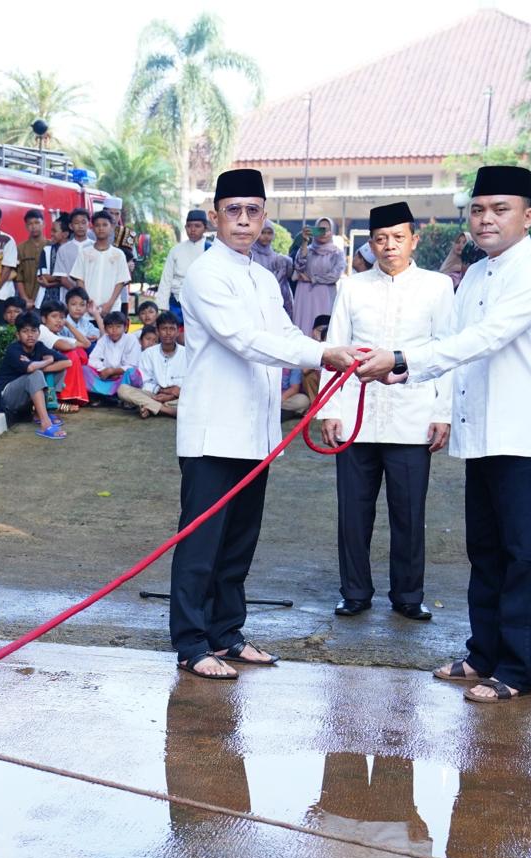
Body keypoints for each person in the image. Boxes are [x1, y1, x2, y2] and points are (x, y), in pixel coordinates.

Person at [357, 165, 531, 705]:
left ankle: (519, 671)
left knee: (527, 555)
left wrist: (405, 358)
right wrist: (399, 368)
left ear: (528, 216)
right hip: (483, 436)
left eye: (500, 209)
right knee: (487, 552)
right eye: (478, 209)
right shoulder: (476, 275)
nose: (486, 219)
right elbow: (450, 346)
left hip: (529, 437)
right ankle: (484, 653)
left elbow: (484, 338)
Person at [171, 168, 354, 680]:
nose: (244, 221)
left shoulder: (263, 276)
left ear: (265, 217)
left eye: (253, 211)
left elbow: (282, 332)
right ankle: (190, 642)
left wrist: (327, 353)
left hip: (256, 430)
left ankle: (226, 633)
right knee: (202, 544)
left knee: (239, 543)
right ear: (215, 217)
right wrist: (322, 352)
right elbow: (244, 338)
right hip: (213, 431)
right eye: (233, 211)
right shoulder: (207, 274)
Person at [320, 202, 455, 622]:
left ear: (414, 239)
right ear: (370, 243)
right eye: (380, 239)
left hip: (412, 417)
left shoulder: (437, 287)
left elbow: (447, 351)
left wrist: (443, 411)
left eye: (398, 238)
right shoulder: (352, 287)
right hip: (357, 417)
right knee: (353, 514)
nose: (389, 246)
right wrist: (329, 409)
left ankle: (408, 595)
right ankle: (355, 592)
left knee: (409, 514)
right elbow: (335, 348)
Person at [0, 311, 70, 440]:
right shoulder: (14, 349)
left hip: (25, 393)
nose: (30, 335)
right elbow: (31, 368)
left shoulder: (39, 346)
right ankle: (45, 424)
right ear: (18, 335)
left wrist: (40, 365)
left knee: (56, 371)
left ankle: (44, 412)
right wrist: (47, 361)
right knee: (35, 374)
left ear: (39, 333)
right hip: (7, 396)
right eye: (25, 331)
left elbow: (67, 362)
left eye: (33, 331)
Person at [117, 311, 186, 418]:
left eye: (172, 329)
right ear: (157, 331)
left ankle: (151, 407)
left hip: (179, 396)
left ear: (178, 332)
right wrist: (161, 391)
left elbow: (192, 382)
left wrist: (172, 395)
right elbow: (145, 382)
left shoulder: (187, 354)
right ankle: (168, 410)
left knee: (196, 397)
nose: (168, 333)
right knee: (122, 390)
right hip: (154, 395)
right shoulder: (147, 354)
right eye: (164, 329)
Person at [291, 216, 346, 337]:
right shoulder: (308, 250)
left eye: (327, 229)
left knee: (321, 329)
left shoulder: (337, 253)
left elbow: (335, 275)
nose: (324, 233)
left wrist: (312, 279)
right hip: (304, 295)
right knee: (303, 327)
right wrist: (305, 241)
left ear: (332, 232)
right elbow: (298, 266)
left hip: (324, 295)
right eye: (320, 229)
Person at [70, 210, 131, 317]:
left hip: (112, 310)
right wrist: (88, 302)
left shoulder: (118, 254)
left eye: (105, 225)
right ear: (92, 228)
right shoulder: (84, 253)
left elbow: (121, 282)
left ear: (111, 227)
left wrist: (109, 304)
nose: (101, 228)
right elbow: (79, 280)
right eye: (97, 225)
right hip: (87, 311)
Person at [157, 209, 209, 320]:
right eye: (189, 226)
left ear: (205, 228)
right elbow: (166, 279)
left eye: (197, 226)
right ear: (185, 228)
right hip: (177, 303)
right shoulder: (175, 250)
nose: (193, 230)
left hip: (203, 303)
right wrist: (163, 306)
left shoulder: (211, 249)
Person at [37, 301, 90, 407]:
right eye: (54, 316)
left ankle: (68, 396)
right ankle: (62, 397)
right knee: (72, 354)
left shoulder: (57, 335)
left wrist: (68, 324)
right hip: (39, 372)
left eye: (62, 317)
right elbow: (65, 346)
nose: (59, 321)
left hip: (51, 371)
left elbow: (86, 343)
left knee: (80, 353)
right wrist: (71, 345)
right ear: (43, 319)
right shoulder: (41, 329)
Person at [83, 311, 140, 401]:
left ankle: (119, 397)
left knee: (132, 373)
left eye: (118, 327)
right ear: (105, 329)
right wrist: (105, 370)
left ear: (125, 328)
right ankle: (107, 396)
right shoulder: (103, 340)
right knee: (84, 369)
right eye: (110, 327)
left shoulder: (131, 339)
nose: (114, 330)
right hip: (106, 376)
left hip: (122, 377)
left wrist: (114, 371)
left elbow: (132, 365)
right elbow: (92, 360)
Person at [250, 221, 293, 316]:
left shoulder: (277, 258)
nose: (266, 236)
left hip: (275, 301)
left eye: (269, 233)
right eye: (263, 232)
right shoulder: (250, 255)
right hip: (256, 300)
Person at [35, 213, 71, 309]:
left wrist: (52, 281)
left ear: (65, 234)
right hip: (45, 300)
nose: (51, 234)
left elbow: (73, 278)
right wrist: (62, 278)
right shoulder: (47, 250)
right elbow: (44, 277)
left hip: (68, 301)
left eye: (54, 231)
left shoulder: (75, 251)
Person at [15, 208, 48, 305]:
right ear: (26, 226)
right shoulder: (20, 248)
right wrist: (25, 299)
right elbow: (18, 277)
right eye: (30, 224)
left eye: (37, 223)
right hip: (29, 300)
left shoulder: (51, 246)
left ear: (43, 224)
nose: (34, 227)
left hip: (48, 299)